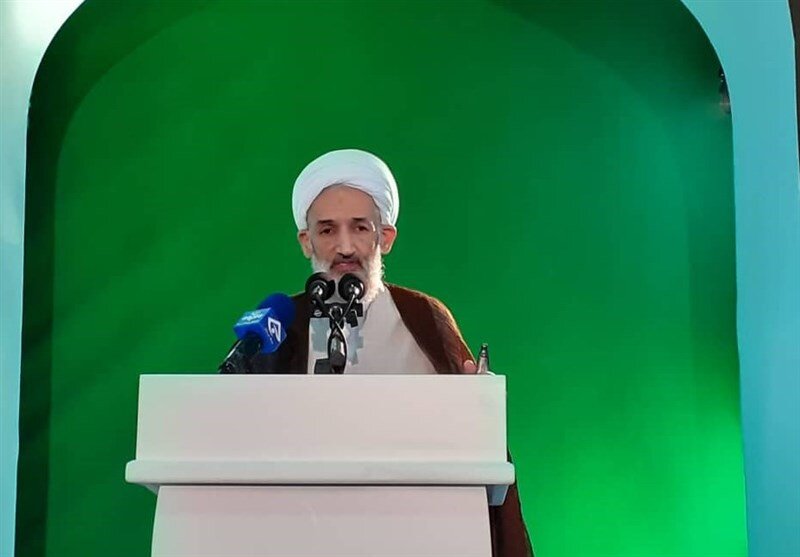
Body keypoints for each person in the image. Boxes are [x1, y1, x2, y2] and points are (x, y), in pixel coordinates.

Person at [248, 148, 533, 556]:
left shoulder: (424, 317)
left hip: (420, 535)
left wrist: (477, 411)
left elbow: (474, 446)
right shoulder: (281, 324)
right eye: (327, 231)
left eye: (360, 228)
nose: (345, 247)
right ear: (306, 242)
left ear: (385, 237)